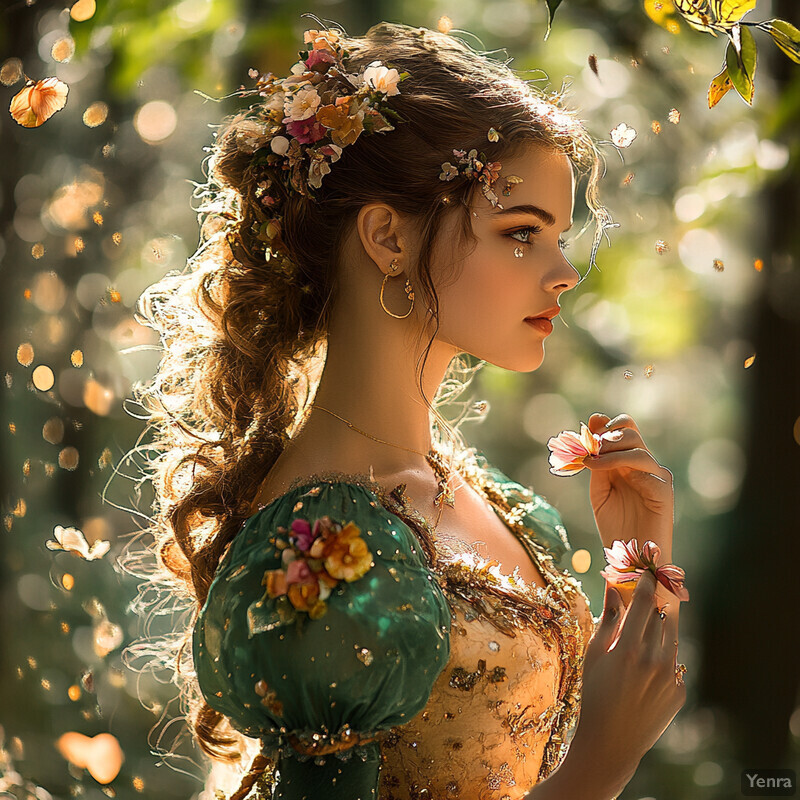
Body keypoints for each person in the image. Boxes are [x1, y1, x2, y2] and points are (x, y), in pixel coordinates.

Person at [127, 17, 687, 800]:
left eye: (560, 236)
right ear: (388, 236)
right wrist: (597, 767)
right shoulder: (320, 551)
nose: (563, 272)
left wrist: (638, 574)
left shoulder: (476, 493)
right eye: (522, 232)